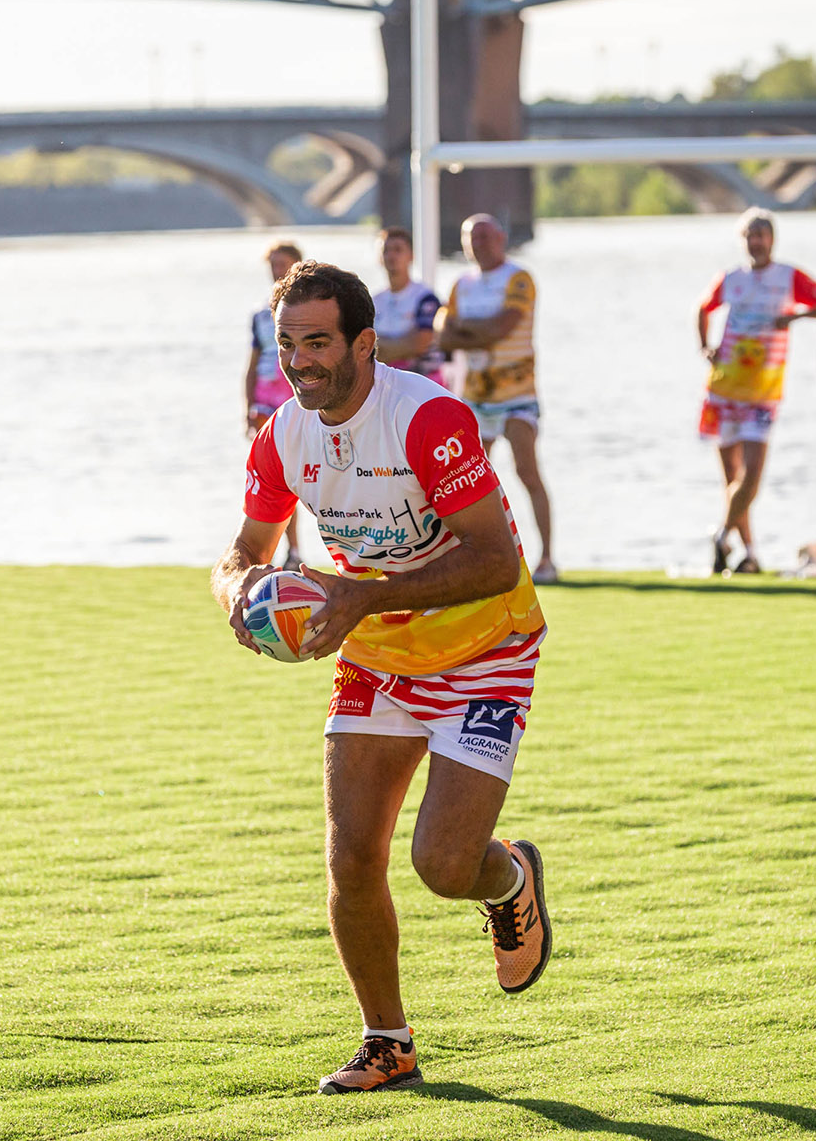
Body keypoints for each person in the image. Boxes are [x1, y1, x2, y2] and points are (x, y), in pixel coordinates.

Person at [212, 260, 552, 1095]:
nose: (300, 363)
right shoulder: (282, 432)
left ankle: (510, 879)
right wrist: (238, 595)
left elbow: (496, 557)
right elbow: (244, 552)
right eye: (289, 344)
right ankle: (386, 1041)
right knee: (352, 856)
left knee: (442, 865)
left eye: (319, 343)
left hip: (486, 649)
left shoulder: (427, 418)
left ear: (365, 344)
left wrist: (364, 594)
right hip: (377, 651)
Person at [694, 208, 816, 575]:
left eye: (761, 235)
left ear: (772, 239)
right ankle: (749, 553)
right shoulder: (731, 278)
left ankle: (723, 534)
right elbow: (702, 307)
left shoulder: (788, 277)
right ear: (743, 241)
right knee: (732, 479)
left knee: (752, 476)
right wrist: (705, 345)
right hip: (724, 388)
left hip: (763, 390)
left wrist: (796, 316)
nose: (756, 242)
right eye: (749, 236)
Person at [436, 214, 558, 584]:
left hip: (517, 393)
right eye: (472, 237)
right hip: (474, 397)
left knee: (527, 472)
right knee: (463, 480)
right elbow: (444, 333)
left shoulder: (518, 278)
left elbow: (503, 328)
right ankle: (468, 554)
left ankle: (548, 557)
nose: (479, 244)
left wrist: (466, 334)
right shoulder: (461, 283)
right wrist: (475, 334)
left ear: (501, 239)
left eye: (486, 236)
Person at [245, 240, 304, 568]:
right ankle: (290, 550)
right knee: (275, 478)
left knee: (304, 474)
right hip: (266, 403)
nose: (277, 271)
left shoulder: (308, 313)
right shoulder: (259, 315)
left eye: (283, 264)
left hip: (296, 399)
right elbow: (252, 363)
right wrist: (247, 405)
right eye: (273, 265)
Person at [371, 227, 446, 385]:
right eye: (386, 250)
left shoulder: (426, 298)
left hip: (423, 383)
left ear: (411, 256)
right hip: (387, 384)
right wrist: (401, 345)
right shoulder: (374, 301)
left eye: (398, 250)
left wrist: (380, 346)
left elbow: (419, 344)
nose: (391, 256)